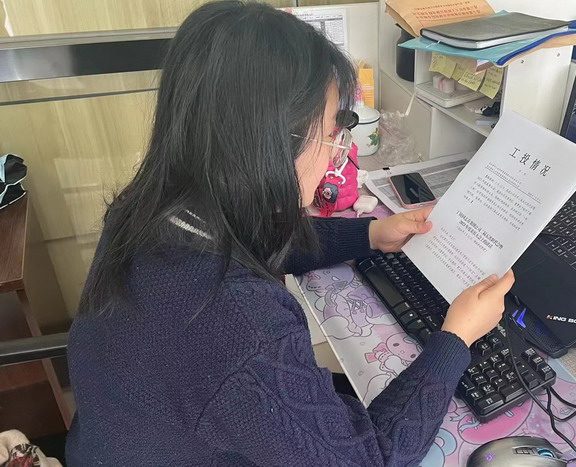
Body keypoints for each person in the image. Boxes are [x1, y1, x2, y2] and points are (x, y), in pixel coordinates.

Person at [65, 2, 514, 465]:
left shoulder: (150, 207)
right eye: (332, 134)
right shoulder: (242, 327)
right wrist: (455, 339)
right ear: (269, 144)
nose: (337, 152)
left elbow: (255, 238)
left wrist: (371, 234)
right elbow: (368, 461)